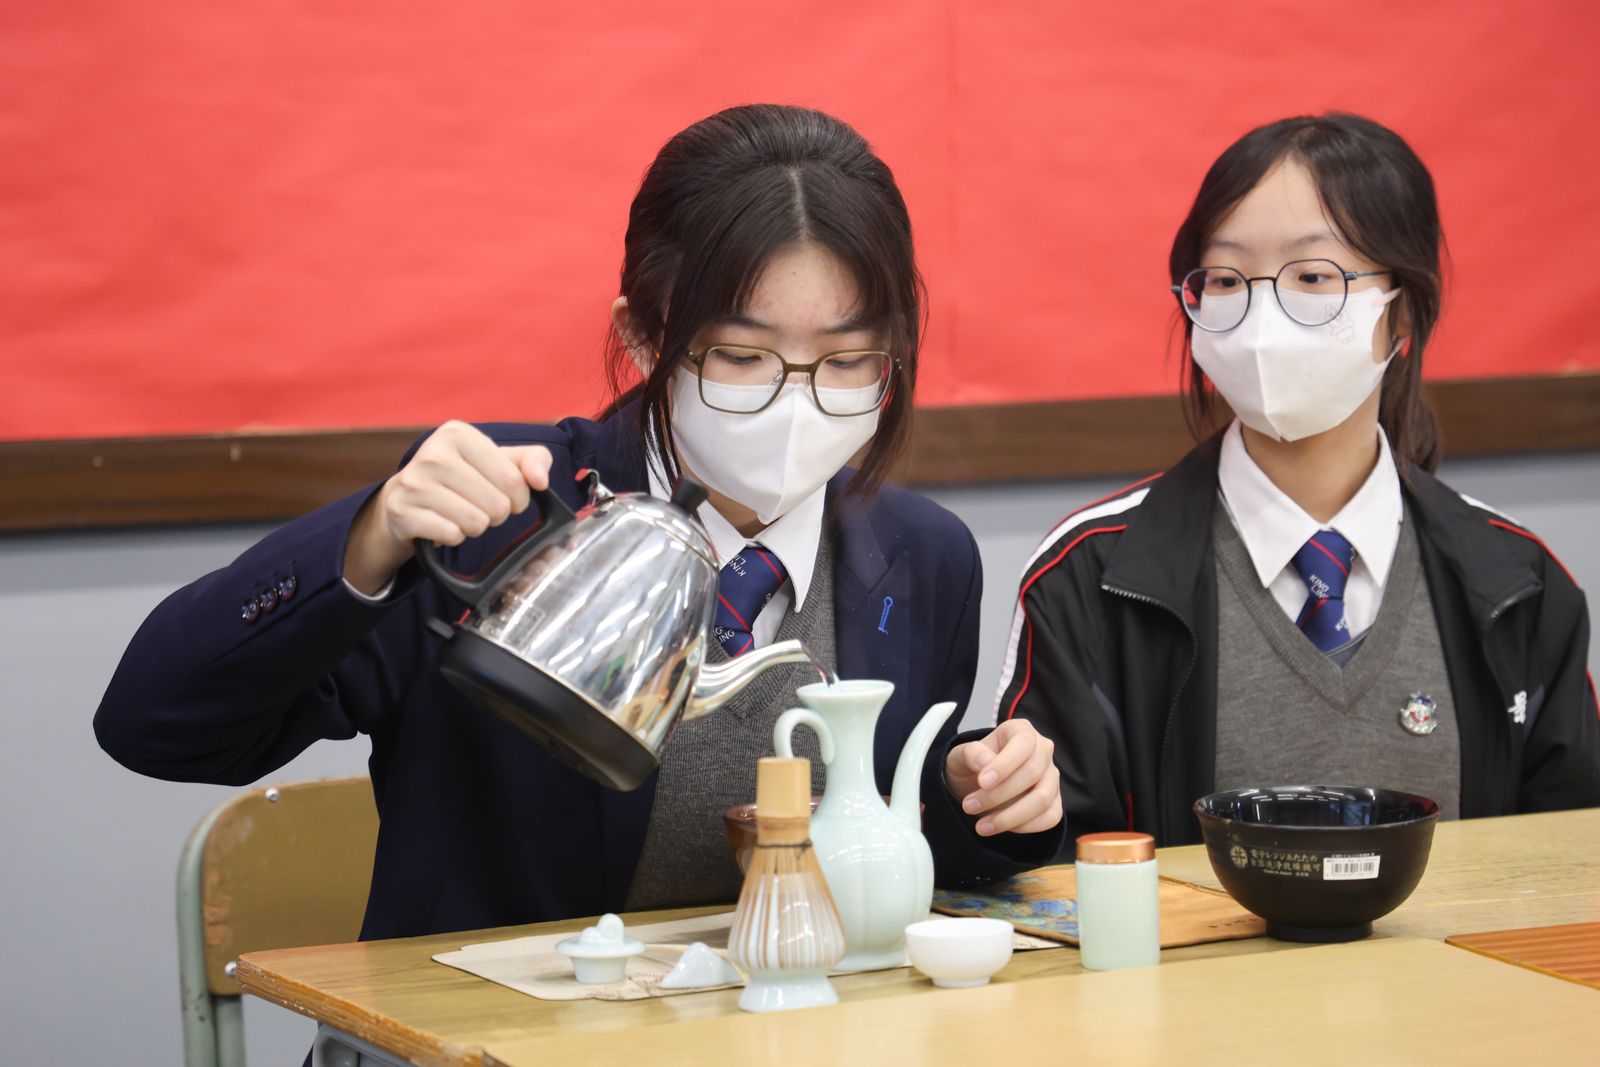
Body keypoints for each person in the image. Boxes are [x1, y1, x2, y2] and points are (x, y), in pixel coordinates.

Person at [95, 105, 1064, 939]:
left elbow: (884, 849)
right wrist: (370, 539)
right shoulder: (502, 509)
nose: (797, 398)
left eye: (848, 360)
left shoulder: (920, 554)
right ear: (642, 333)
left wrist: (976, 792)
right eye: (741, 355)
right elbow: (158, 726)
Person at [995, 113, 1598, 847]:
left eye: (1312, 276)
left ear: (1402, 311)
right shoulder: (1087, 576)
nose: (1261, 316)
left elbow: (1569, 864)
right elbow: (1040, 869)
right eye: (1226, 279)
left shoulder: (1519, 584)